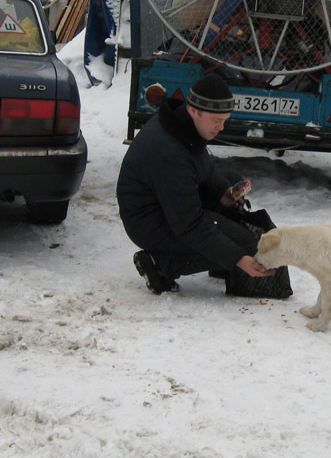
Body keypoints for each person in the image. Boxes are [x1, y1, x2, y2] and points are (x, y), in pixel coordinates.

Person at [116, 74, 291, 297]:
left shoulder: (182, 125)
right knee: (247, 248)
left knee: (230, 178)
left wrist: (224, 192)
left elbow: (204, 164)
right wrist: (237, 258)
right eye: (217, 120)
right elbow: (189, 225)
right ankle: (160, 265)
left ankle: (218, 260)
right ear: (194, 110)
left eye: (225, 120)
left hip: (168, 205)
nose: (221, 127)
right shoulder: (169, 153)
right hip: (150, 222)